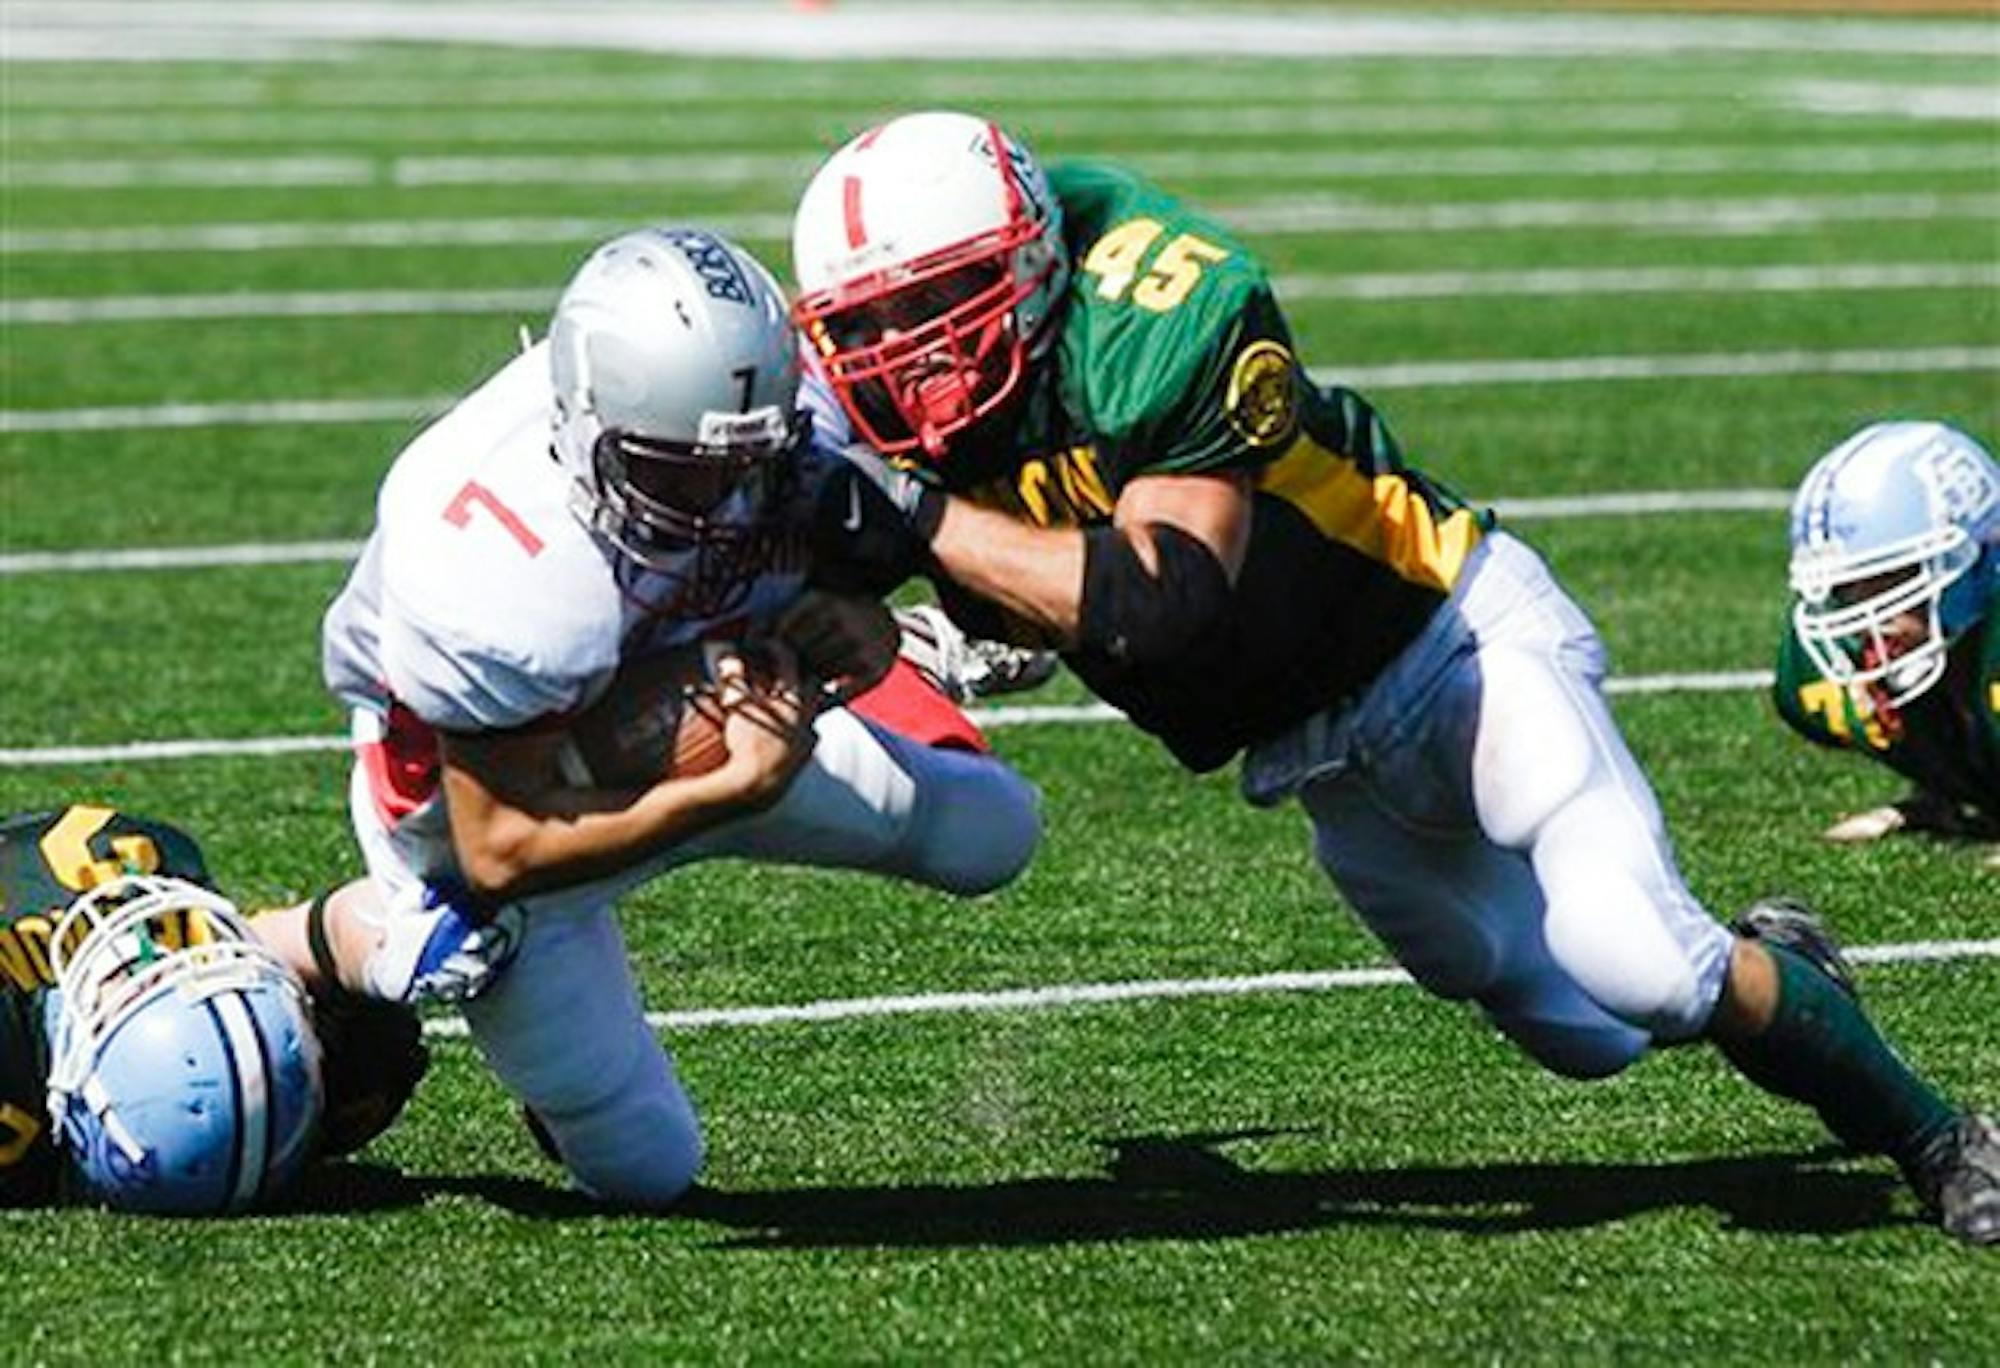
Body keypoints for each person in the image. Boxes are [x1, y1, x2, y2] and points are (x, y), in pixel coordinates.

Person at [788, 110, 1998, 1246]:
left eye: (941, 303)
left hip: (1455, 644)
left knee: (1636, 954)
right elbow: (1029, 585)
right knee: (1588, 1035)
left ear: (1032, 267)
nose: (910, 358)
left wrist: (914, 519)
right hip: (1321, 760)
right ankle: (1774, 965)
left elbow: (1161, 595)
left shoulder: (1152, 312)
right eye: (870, 326)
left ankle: (1940, 1139)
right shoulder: (904, 424)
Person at [318, 225, 1041, 1209]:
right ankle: (352, 932)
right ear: (580, 419)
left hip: (721, 699)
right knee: (645, 1169)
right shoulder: (495, 559)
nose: (716, 502)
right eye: (674, 474)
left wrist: (855, 627)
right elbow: (500, 845)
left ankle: (911, 660)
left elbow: (822, 515)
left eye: (742, 466)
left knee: (995, 832)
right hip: (486, 826)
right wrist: (726, 787)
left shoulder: (758, 432)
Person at [0, 805, 422, 1212]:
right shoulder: (355, 1079)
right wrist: (409, 932)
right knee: (377, 1040)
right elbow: (327, 928)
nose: (141, 965)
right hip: (78, 870)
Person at [1777, 421, 1999, 862]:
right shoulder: (1817, 682)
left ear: (1973, 559)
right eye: (1848, 587)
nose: (1866, 615)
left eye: (1892, 578)